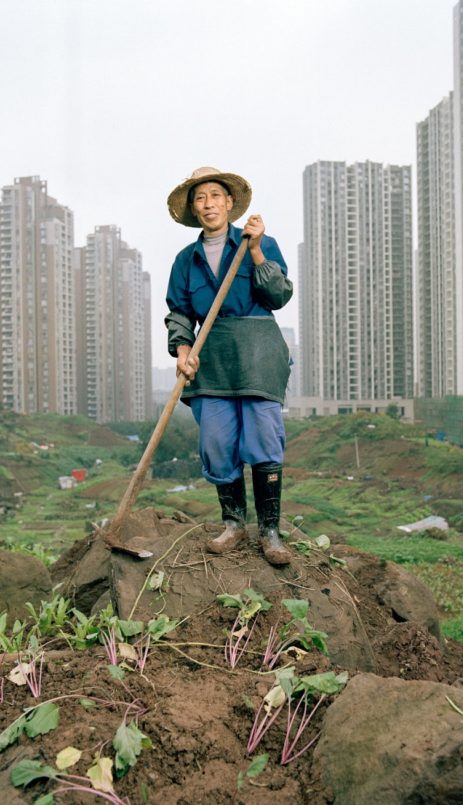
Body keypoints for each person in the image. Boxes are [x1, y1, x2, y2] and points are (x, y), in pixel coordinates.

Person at [165, 166, 294, 566]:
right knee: (216, 441)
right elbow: (180, 312)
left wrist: (255, 252)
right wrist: (182, 349)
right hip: (212, 356)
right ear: (194, 208)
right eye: (200, 198)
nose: (208, 204)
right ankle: (234, 524)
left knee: (263, 437)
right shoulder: (185, 261)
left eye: (215, 196)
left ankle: (269, 531)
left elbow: (278, 296)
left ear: (230, 202)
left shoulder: (261, 243)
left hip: (258, 352)